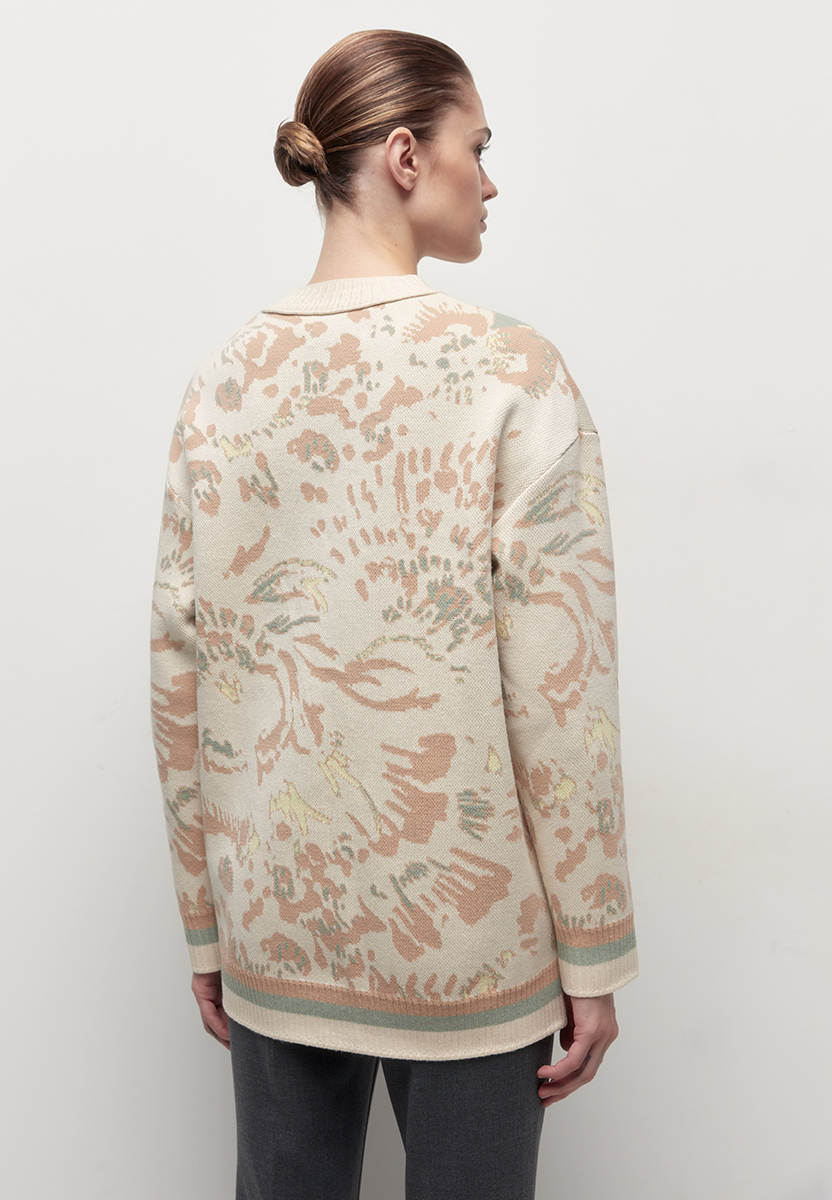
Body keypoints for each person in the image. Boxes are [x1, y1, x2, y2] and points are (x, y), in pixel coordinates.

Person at [150, 28, 637, 1200]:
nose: (492, 180)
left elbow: (181, 671)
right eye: (481, 146)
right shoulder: (512, 372)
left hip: (277, 926)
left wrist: (208, 925)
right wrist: (592, 951)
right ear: (408, 157)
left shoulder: (223, 383)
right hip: (466, 943)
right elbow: (561, 683)